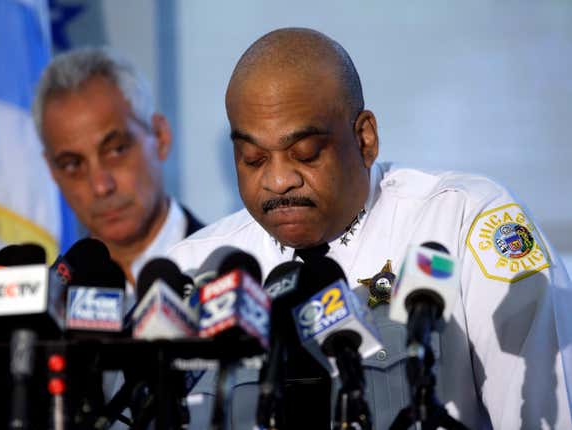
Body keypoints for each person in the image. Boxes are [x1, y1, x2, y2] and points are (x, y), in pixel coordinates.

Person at [168, 28, 572, 429]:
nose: (278, 180)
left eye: (305, 154)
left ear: (365, 139)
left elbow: (545, 416)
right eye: (253, 158)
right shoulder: (194, 270)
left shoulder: (460, 224)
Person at [33, 47, 203, 289]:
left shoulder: (236, 274)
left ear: (160, 137)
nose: (101, 186)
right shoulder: (51, 304)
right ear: (51, 170)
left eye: (116, 150)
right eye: (72, 165)